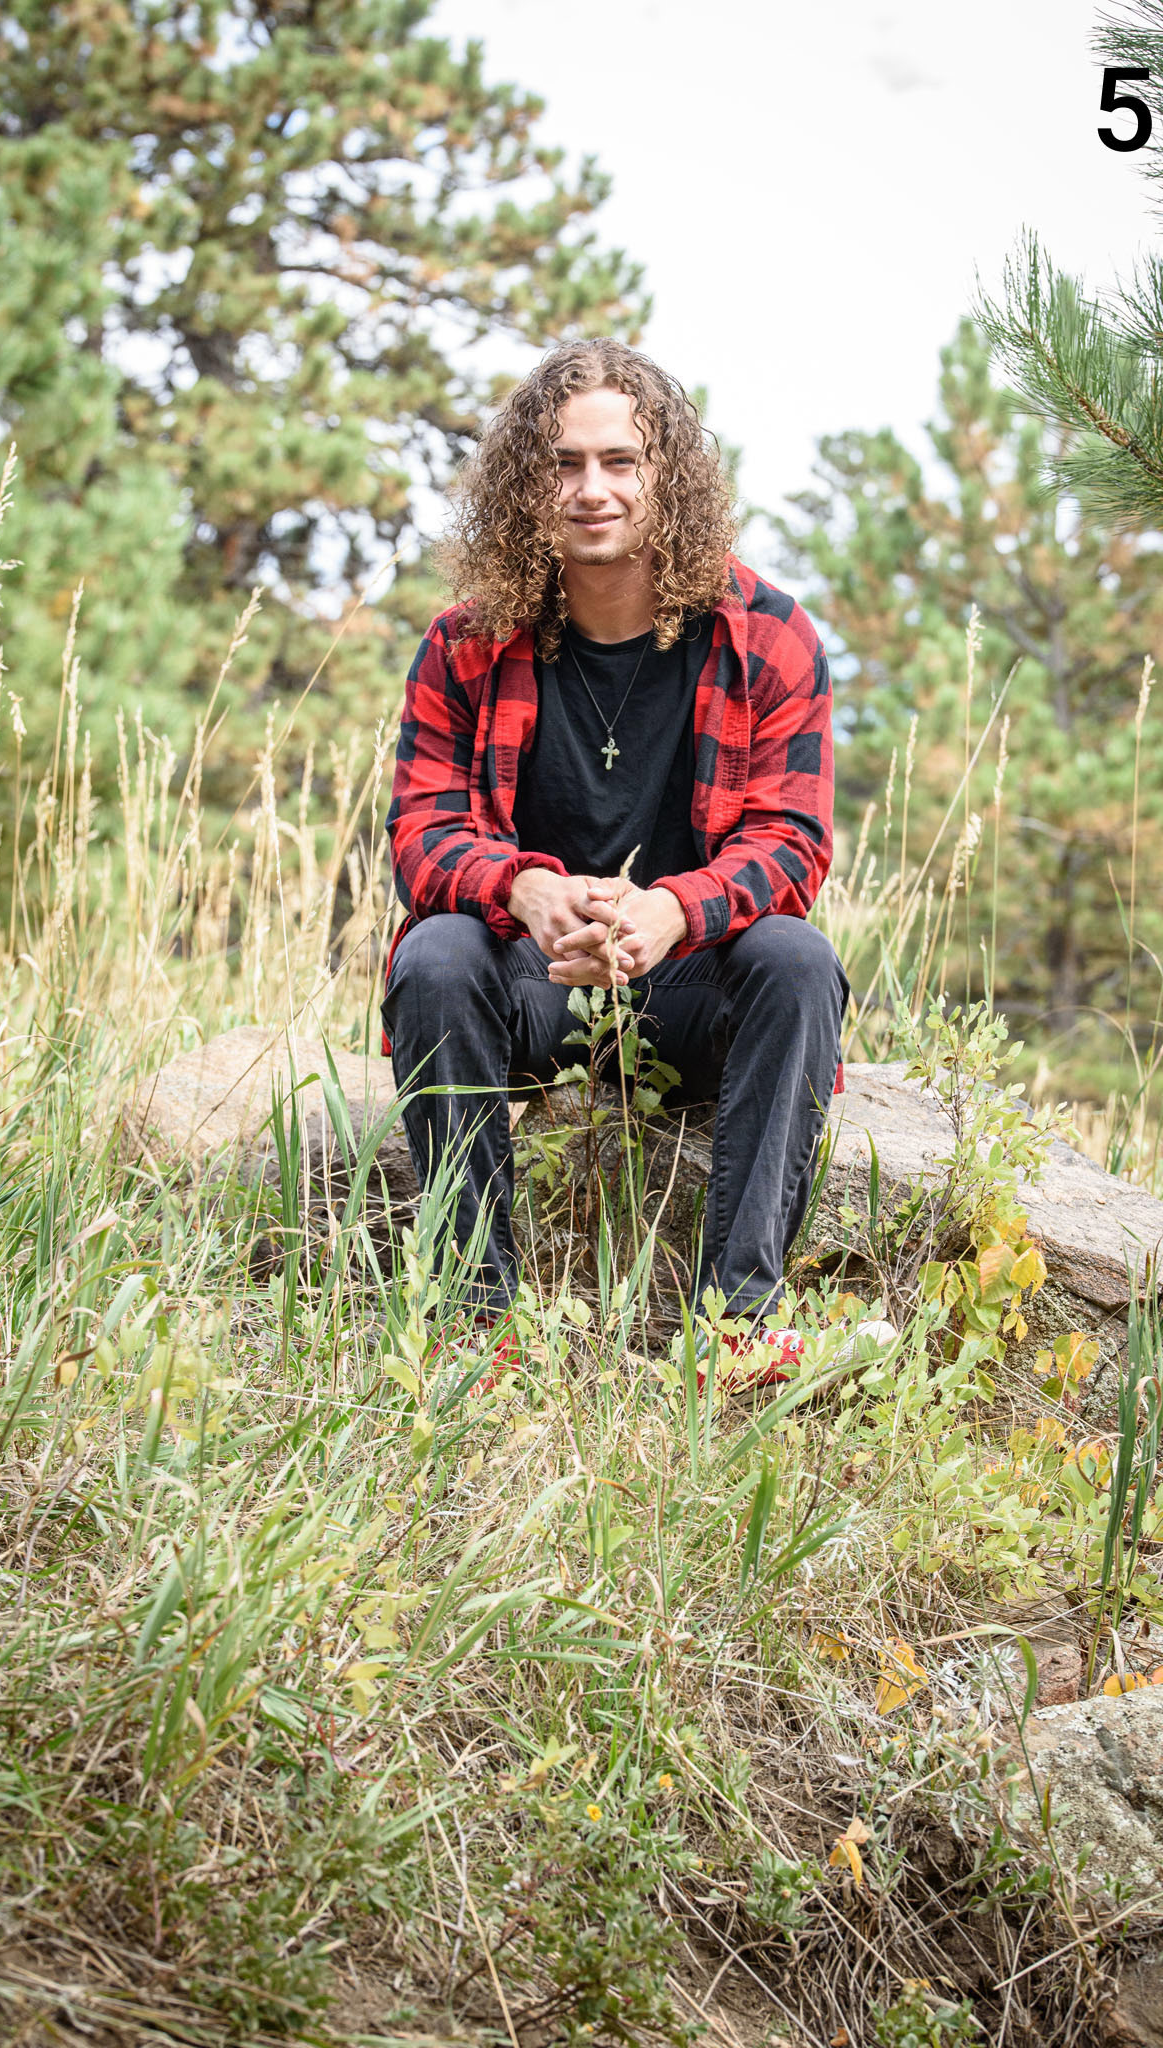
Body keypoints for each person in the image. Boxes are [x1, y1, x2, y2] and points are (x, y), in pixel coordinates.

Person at [382, 337, 848, 1376]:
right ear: (524, 484)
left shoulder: (767, 635)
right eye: (562, 464)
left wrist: (674, 910)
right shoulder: (464, 640)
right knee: (434, 953)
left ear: (665, 475)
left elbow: (792, 843)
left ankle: (739, 1328)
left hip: (688, 992)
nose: (591, 489)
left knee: (796, 959)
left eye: (619, 461)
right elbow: (420, 832)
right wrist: (521, 887)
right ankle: (477, 1323)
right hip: (529, 986)